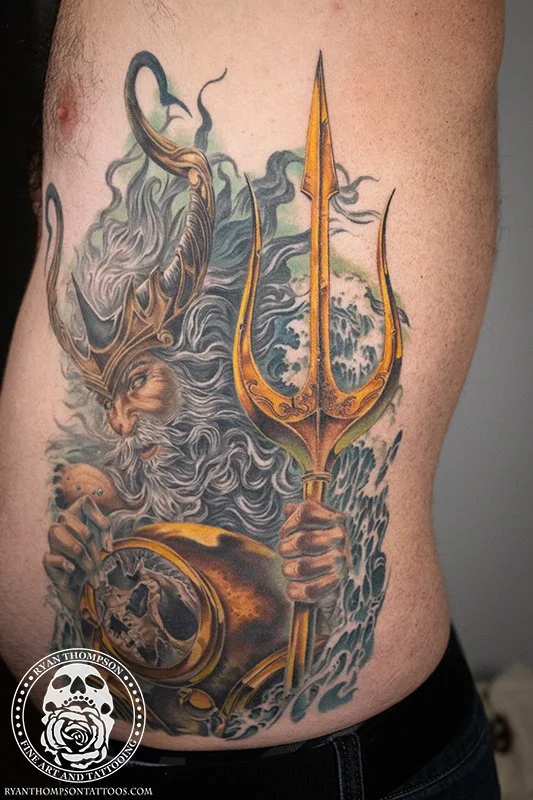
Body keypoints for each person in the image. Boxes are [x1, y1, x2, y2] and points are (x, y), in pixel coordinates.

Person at [0, 0, 504, 796]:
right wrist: (72, 543)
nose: (123, 418)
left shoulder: (265, 396)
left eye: (143, 382)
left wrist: (323, 562)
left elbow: (321, 547)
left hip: (320, 768)